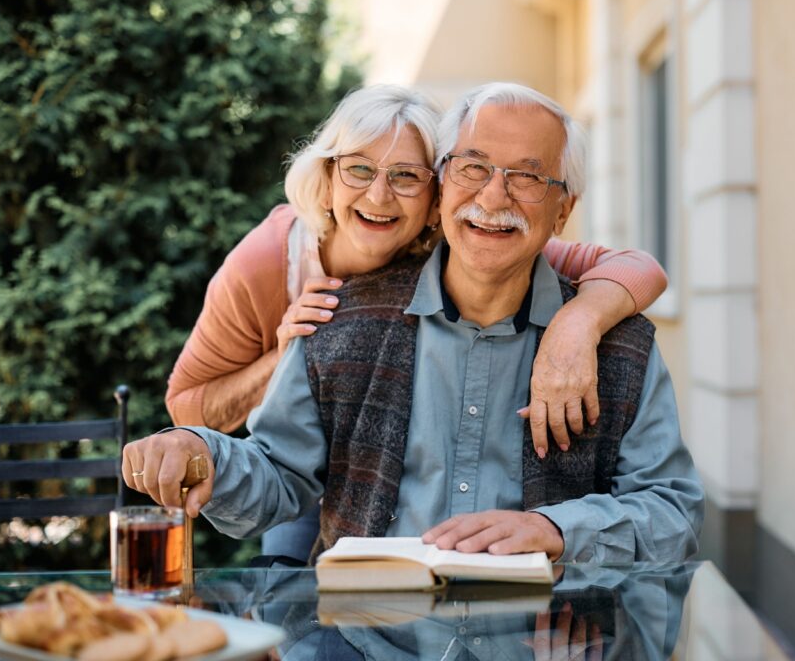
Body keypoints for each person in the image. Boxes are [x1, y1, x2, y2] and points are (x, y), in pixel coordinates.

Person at [126, 82, 702, 565]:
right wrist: (201, 450)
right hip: (366, 640)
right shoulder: (333, 317)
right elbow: (279, 472)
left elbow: (673, 513)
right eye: (473, 167)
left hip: (552, 637)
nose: (493, 196)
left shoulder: (620, 346)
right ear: (446, 183)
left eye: (526, 178)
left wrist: (560, 531)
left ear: (563, 210)